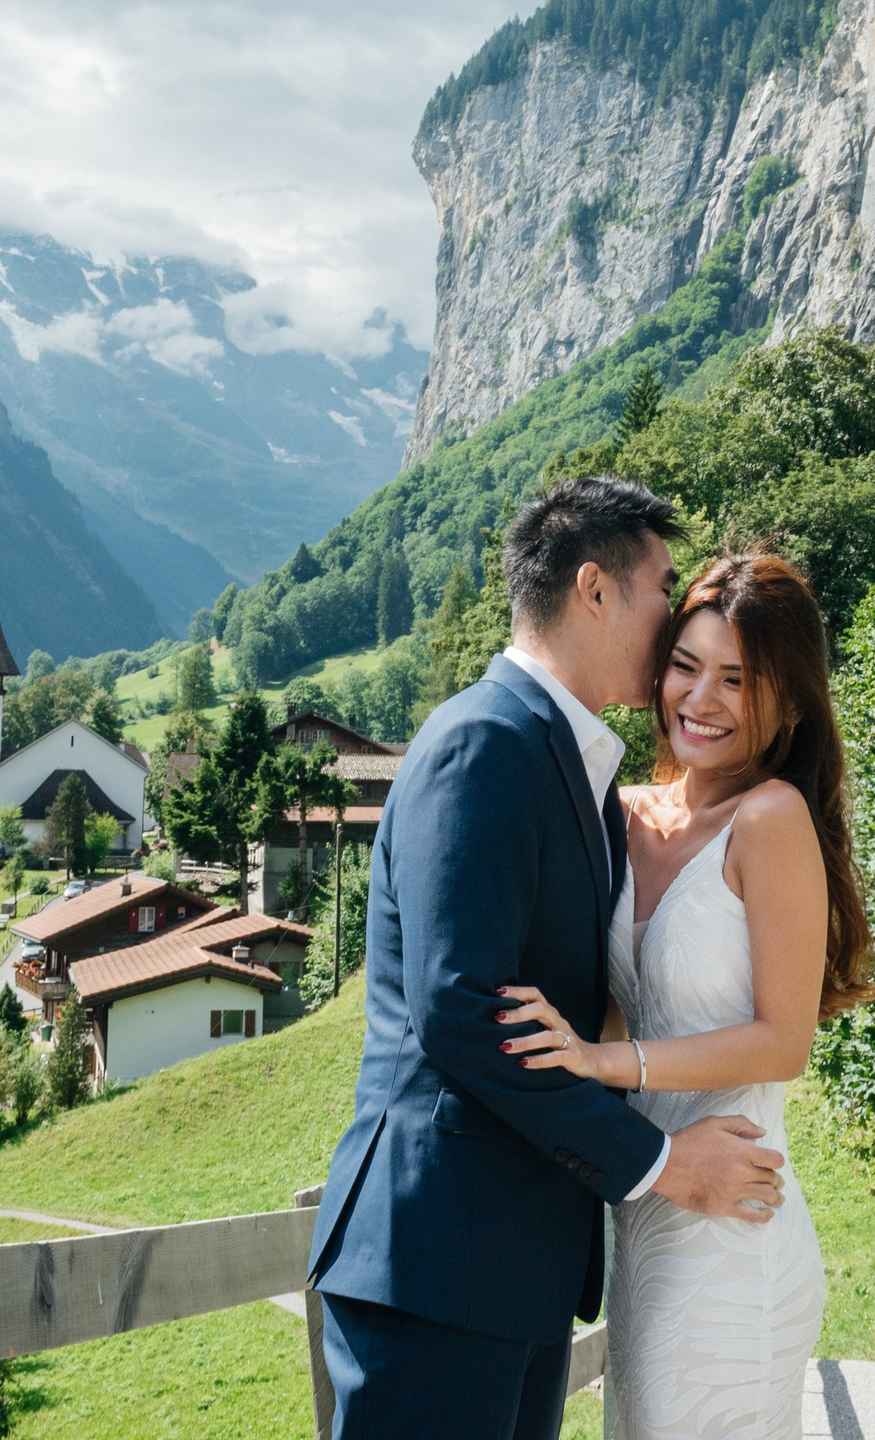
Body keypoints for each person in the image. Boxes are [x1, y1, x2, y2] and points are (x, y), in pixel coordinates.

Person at [307, 480, 793, 1440]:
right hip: (437, 1267)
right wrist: (659, 1164)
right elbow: (461, 1008)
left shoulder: (567, 761)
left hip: (508, 1271)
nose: (672, 612)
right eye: (660, 587)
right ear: (594, 589)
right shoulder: (483, 742)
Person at [500, 552, 875, 1438]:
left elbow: (784, 1040)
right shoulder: (622, 813)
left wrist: (602, 1061)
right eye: (686, 664)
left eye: (737, 679)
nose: (701, 698)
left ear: (786, 702)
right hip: (647, 1220)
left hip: (735, 1229)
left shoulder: (772, 818)